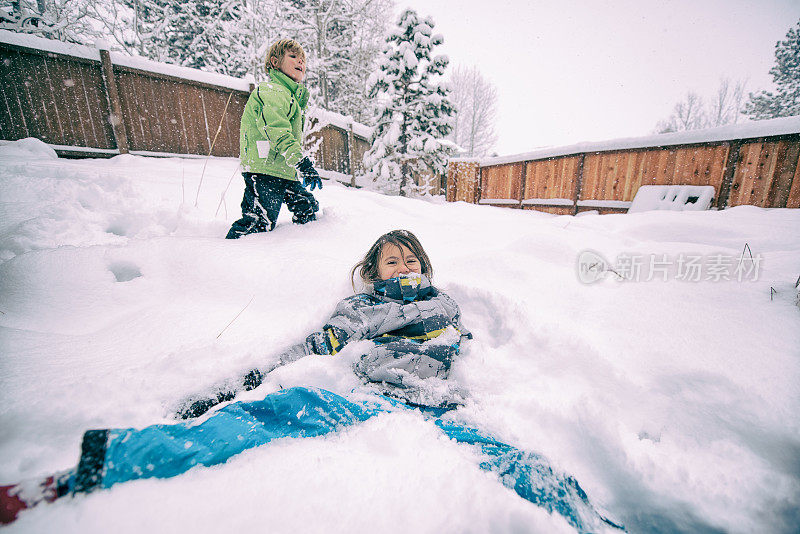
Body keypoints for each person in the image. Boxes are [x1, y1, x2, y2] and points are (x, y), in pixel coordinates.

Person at [0, 231, 622, 532]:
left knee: (525, 467)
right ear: (372, 273)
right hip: (367, 402)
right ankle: (93, 471)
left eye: (410, 258)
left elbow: (477, 358)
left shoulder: (450, 306)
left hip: (437, 411)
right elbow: (315, 344)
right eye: (390, 260)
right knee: (263, 417)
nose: (402, 265)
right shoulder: (361, 311)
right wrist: (251, 378)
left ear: (426, 267)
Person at [226, 39, 322, 239]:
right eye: (293, 56)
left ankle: (307, 244)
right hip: (264, 169)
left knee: (306, 207)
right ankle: (230, 255)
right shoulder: (272, 91)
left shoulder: (290, 96)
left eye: (303, 59)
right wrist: (301, 162)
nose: (300, 62)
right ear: (275, 62)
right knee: (259, 221)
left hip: (283, 170)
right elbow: (277, 131)